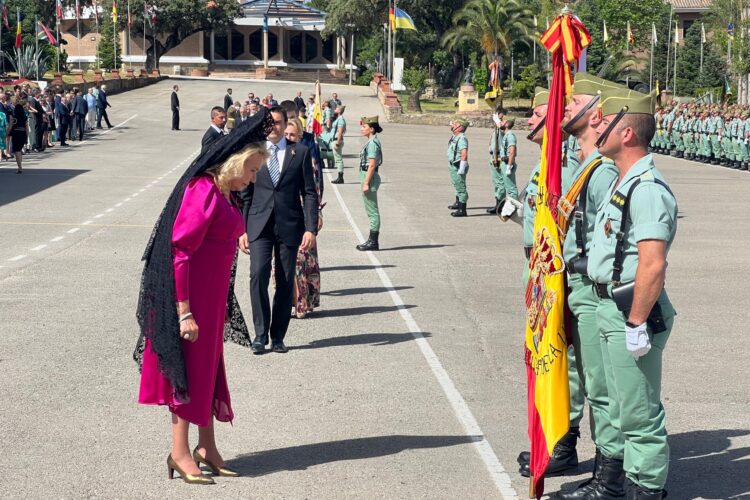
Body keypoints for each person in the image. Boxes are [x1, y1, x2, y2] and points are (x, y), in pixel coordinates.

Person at [136, 111, 271, 485]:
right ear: (236, 163)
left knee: (209, 372)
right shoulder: (203, 189)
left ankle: (206, 447)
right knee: (186, 373)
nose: (253, 178)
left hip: (211, 302)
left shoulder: (225, 192)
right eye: (253, 169)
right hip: (192, 300)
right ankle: (179, 452)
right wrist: (184, 313)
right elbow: (180, 252)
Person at [589, 88, 677, 499]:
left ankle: (647, 492)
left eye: (604, 123)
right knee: (621, 409)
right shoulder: (624, 181)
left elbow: (652, 263)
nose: (596, 127)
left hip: (631, 311)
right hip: (611, 307)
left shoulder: (646, 188)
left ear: (626, 134)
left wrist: (637, 322)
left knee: (639, 416)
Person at [551, 72, 625, 499]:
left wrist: (580, 263)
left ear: (595, 114)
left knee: (602, 387)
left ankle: (610, 479)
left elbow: (606, 236)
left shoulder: (598, 173)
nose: (563, 107)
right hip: (575, 284)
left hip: (592, 287)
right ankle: (603, 472)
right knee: (591, 381)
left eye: (571, 100)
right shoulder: (584, 166)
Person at [238, 106, 319, 355]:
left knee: (284, 281)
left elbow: (309, 193)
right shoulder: (255, 152)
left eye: (278, 122)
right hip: (258, 224)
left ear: (286, 124)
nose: (274, 127)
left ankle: (278, 336)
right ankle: (260, 335)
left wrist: (310, 228)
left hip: (289, 225)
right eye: (270, 123)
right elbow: (245, 193)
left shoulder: (301, 152)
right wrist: (242, 229)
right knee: (258, 275)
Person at [284, 118, 322, 319]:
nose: (289, 138)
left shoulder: (306, 156)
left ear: (299, 137)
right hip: (282, 218)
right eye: (286, 135)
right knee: (287, 266)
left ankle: (301, 303)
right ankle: (293, 302)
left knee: (302, 264)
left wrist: (316, 217)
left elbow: (313, 190)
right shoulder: (277, 155)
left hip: (302, 217)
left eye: (292, 135)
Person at [356, 116, 383, 251]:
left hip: (369, 177)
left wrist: (366, 183)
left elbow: (371, 165)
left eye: (364, 127)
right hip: (367, 175)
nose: (362, 129)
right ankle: (372, 240)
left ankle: (373, 241)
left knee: (372, 210)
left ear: (371, 129)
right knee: (371, 210)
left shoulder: (372, 143)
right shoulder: (372, 141)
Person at [446, 117, 470, 217]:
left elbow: (464, 153)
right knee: (456, 185)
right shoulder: (456, 136)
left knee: (461, 188)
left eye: (456, 125)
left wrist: (462, 167)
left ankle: (462, 210)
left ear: (461, 127)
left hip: (458, 165)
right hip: (453, 164)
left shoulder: (462, 138)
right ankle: (458, 204)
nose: (453, 126)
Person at [486, 108, 505, 214]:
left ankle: (501, 206)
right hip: (493, 157)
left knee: (500, 183)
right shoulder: (495, 128)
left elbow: (502, 127)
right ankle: (497, 204)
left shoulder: (504, 124)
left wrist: (497, 120)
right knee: (496, 182)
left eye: (498, 114)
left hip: (500, 158)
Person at [330, 105, 347, 184]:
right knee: (338, 159)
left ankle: (340, 178)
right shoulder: (339, 119)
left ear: (339, 110)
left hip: (337, 140)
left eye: (336, 108)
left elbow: (340, 132)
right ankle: (340, 177)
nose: (335, 109)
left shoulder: (341, 119)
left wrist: (338, 142)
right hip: (336, 139)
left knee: (338, 159)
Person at [9, 103, 28, 174]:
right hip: (23, 133)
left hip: (16, 133)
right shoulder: (24, 117)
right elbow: (26, 128)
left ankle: (20, 167)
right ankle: (20, 166)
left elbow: (10, 126)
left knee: (17, 151)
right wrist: (27, 136)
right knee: (19, 150)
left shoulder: (13, 117)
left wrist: (7, 133)